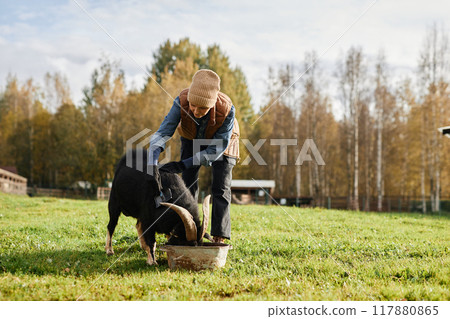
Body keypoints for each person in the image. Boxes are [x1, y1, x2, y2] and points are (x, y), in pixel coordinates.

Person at [148, 69, 239, 243]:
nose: (196, 111)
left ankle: (219, 236)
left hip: (223, 141)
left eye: (203, 107)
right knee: (188, 182)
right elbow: (163, 132)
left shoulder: (227, 109)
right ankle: (186, 231)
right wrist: (152, 163)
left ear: (211, 105)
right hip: (191, 135)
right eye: (193, 105)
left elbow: (215, 150)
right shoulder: (181, 101)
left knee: (221, 186)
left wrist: (182, 164)